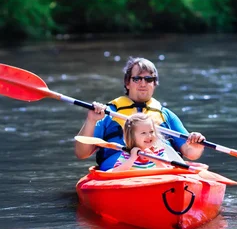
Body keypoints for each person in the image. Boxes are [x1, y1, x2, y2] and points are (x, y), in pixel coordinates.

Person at [74, 57, 206, 170]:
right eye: (137, 79)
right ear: (127, 83)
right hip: (120, 171)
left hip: (162, 169)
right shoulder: (108, 113)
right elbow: (82, 153)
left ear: (154, 84)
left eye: (148, 79)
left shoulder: (166, 115)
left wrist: (196, 145)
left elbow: (191, 153)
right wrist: (91, 120)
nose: (143, 83)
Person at [111, 113, 181, 171]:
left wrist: (155, 160)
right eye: (143, 133)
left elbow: (168, 171)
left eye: (151, 131)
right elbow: (115, 172)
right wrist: (132, 158)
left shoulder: (159, 152)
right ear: (131, 136)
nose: (149, 136)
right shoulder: (127, 154)